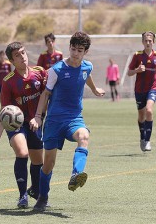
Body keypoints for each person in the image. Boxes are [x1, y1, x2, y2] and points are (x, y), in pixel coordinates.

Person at [30, 31, 105, 211]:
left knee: (84, 136)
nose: (75, 53)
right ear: (69, 48)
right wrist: (38, 117)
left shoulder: (88, 67)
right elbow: (46, 93)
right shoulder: (57, 70)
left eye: (80, 50)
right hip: (54, 121)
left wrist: (94, 90)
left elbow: (86, 77)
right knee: (48, 164)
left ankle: (76, 174)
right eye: (73, 49)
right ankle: (43, 196)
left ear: (85, 52)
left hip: (74, 118)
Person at [0, 42, 47, 208]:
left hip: (36, 122)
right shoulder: (8, 82)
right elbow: (4, 111)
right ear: (12, 61)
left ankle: (35, 191)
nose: (22, 57)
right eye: (17, 56)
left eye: (23, 53)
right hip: (16, 125)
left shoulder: (40, 73)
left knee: (37, 161)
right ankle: (22, 196)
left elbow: (48, 94)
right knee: (22, 152)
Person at [127, 31, 156, 152]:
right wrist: (137, 70)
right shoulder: (137, 55)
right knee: (141, 116)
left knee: (149, 110)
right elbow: (129, 72)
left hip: (152, 87)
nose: (148, 42)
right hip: (139, 89)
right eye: (146, 40)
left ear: (153, 42)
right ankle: (142, 137)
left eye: (150, 41)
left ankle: (148, 141)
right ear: (142, 42)